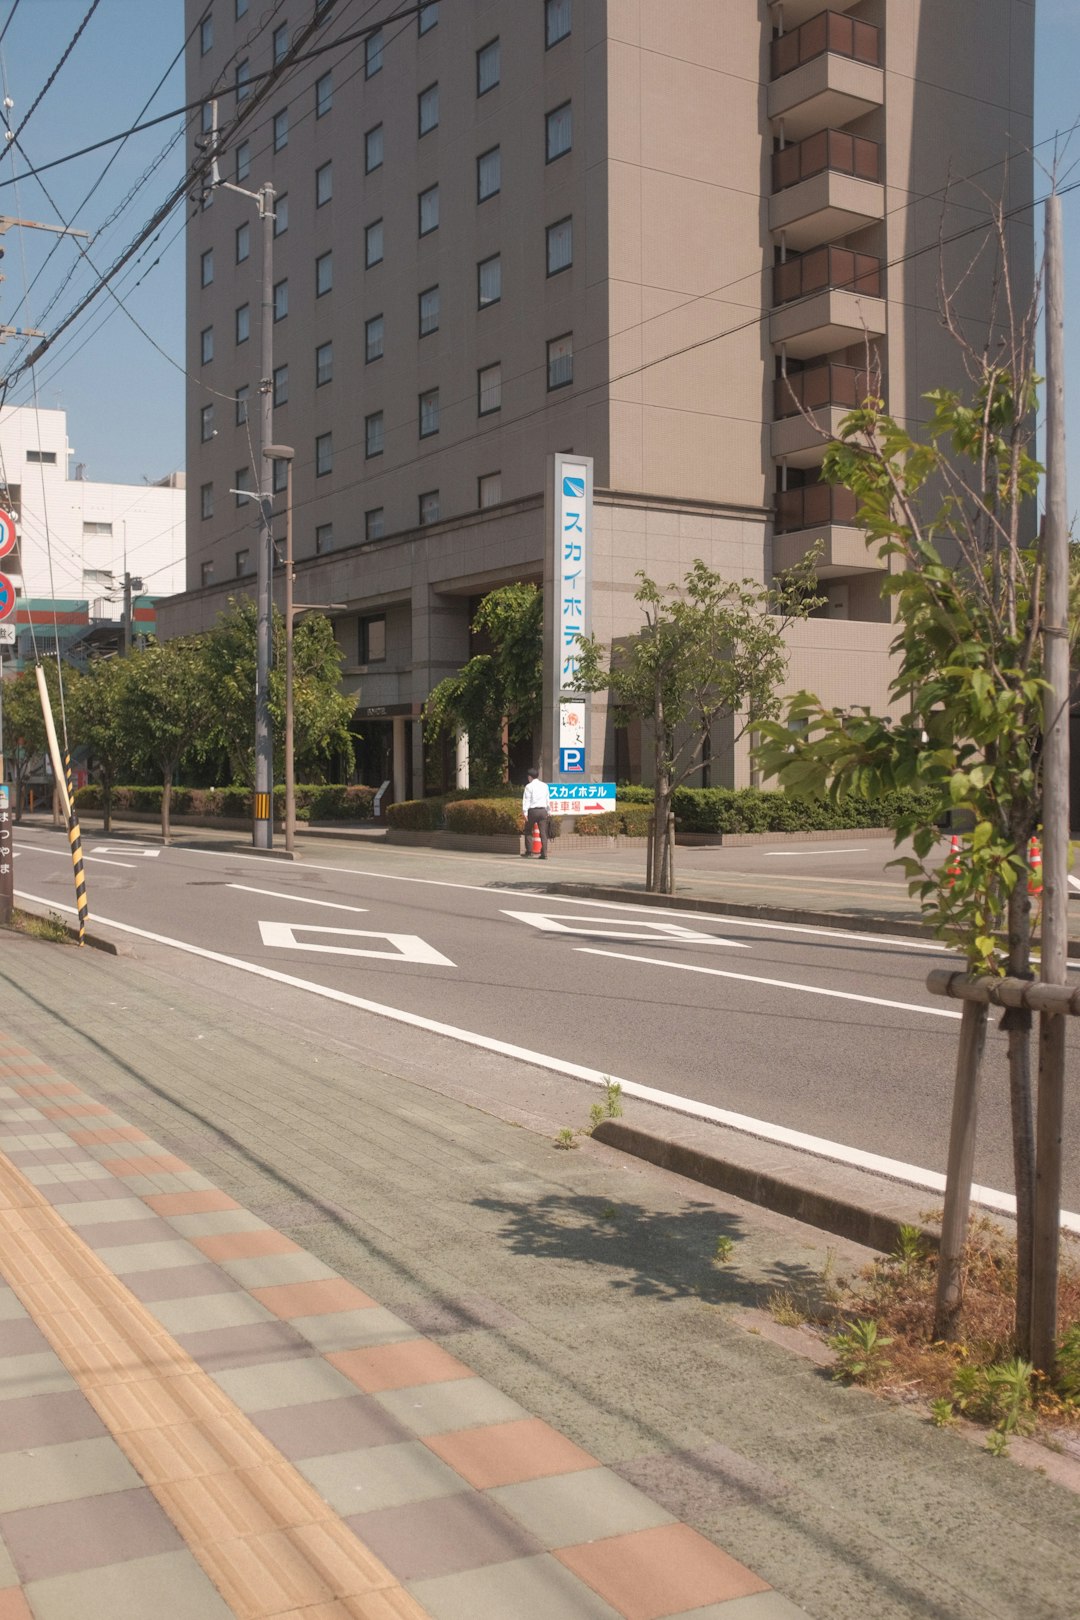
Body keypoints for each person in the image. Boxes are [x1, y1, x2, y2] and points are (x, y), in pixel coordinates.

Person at [521, 767, 551, 859]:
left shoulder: (529, 786)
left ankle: (529, 851)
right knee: (543, 833)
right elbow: (547, 799)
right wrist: (549, 811)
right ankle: (544, 853)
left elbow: (526, 800)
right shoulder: (545, 785)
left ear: (530, 777)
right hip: (543, 811)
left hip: (532, 812)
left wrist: (525, 812)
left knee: (528, 830)